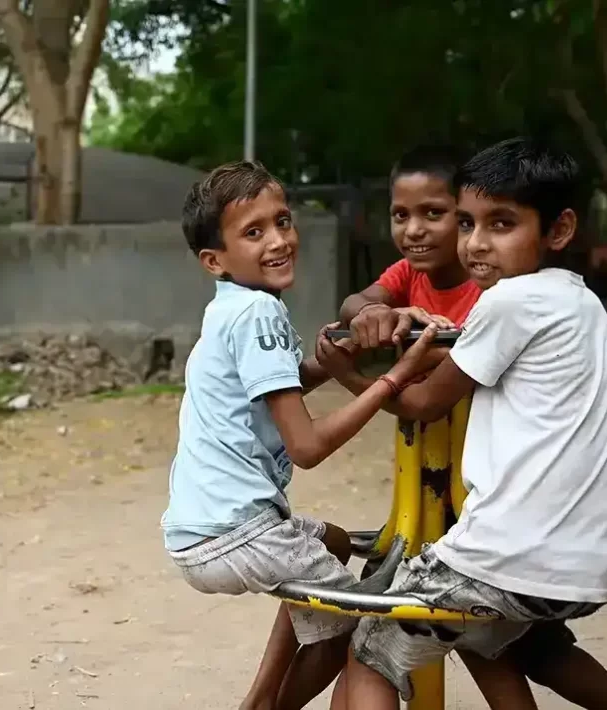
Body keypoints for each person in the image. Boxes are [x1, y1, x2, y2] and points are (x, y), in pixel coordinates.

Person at [319, 137, 607, 710]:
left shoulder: (508, 301)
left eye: (501, 224)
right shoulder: (580, 302)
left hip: (509, 557)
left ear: (559, 230)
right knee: (511, 645)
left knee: (373, 644)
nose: (476, 244)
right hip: (588, 558)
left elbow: (421, 405)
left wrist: (347, 373)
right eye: (467, 224)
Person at [160, 160, 439, 710]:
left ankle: (259, 699)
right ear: (214, 260)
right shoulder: (260, 313)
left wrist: (327, 362)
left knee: (333, 542)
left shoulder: (233, 308)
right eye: (254, 232)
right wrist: (390, 381)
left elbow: (274, 394)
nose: (278, 241)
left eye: (282, 221)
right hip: (237, 531)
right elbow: (306, 448)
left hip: (200, 526)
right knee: (349, 622)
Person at [339, 145, 478, 349]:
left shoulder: (490, 285)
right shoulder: (409, 272)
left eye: (433, 212)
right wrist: (374, 310)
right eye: (401, 215)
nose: (412, 231)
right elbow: (352, 303)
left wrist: (354, 380)